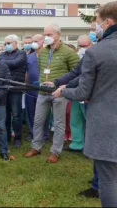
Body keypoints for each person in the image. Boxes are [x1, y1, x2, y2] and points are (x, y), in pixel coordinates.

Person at [57, 1, 117, 207]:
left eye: (97, 23)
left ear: (108, 22)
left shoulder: (97, 51)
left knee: (109, 180)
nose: (96, 28)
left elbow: (83, 91)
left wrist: (63, 91)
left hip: (107, 125)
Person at [24, 24, 80, 163]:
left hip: (59, 93)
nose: (46, 37)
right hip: (43, 92)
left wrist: (63, 87)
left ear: (58, 35)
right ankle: (36, 147)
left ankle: (55, 151)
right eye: (45, 34)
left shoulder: (68, 52)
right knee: (38, 121)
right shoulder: (43, 52)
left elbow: (77, 72)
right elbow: (41, 68)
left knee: (59, 123)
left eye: (49, 34)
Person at [0, 34, 27, 148]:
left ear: (15, 43)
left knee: (16, 115)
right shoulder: (2, 54)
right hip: (4, 88)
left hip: (16, 88)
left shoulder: (22, 54)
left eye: (8, 43)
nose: (6, 45)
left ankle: (18, 138)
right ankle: (7, 136)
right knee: (5, 114)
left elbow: (16, 63)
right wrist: (3, 62)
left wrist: (2, 62)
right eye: (5, 43)